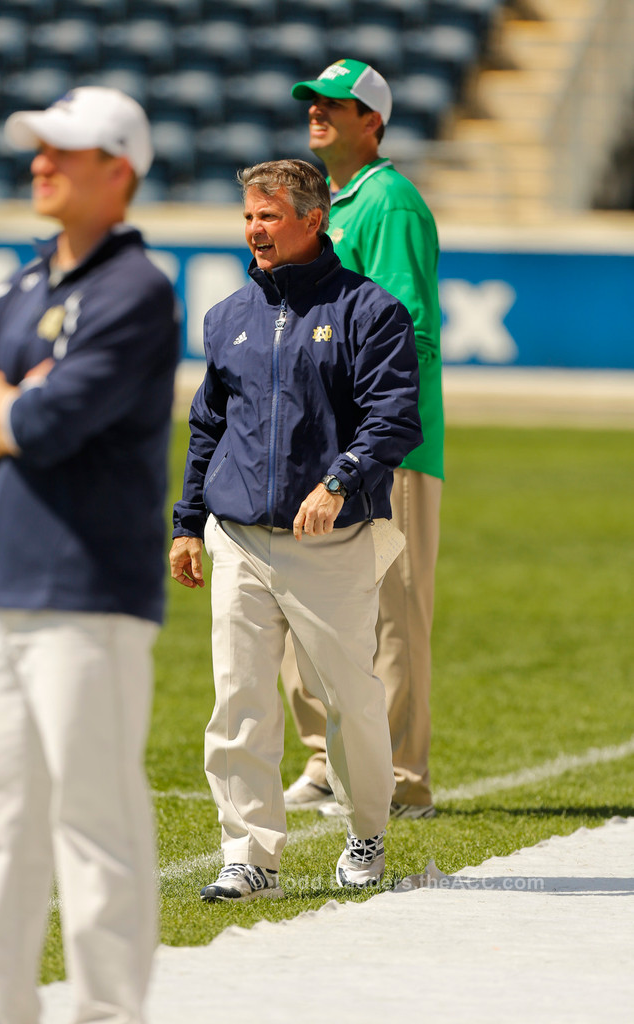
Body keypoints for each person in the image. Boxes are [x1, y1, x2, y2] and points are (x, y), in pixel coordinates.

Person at [0, 87, 179, 1024]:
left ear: (118, 169)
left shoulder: (137, 290)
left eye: (65, 150)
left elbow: (44, 423)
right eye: (38, 147)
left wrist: (0, 406)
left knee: (96, 827)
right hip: (2, 591)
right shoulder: (24, 276)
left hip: (91, 594)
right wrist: (6, 402)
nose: (41, 162)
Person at [170, 159, 422, 902]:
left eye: (269, 216)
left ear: (313, 220)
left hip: (332, 543)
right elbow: (207, 428)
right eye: (249, 215)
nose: (254, 230)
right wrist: (188, 524)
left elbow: (393, 417)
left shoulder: (368, 310)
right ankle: (248, 855)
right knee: (238, 700)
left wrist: (339, 481)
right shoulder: (227, 317)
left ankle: (366, 831)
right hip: (238, 540)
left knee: (352, 698)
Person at [282, 59, 445, 820]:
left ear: (371, 121)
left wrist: (368, 433)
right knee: (302, 605)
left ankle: (401, 779)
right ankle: (324, 759)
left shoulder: (391, 203)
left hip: (390, 451)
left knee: (391, 613)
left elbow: (407, 331)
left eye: (335, 104)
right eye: (312, 100)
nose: (317, 111)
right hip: (319, 447)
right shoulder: (327, 204)